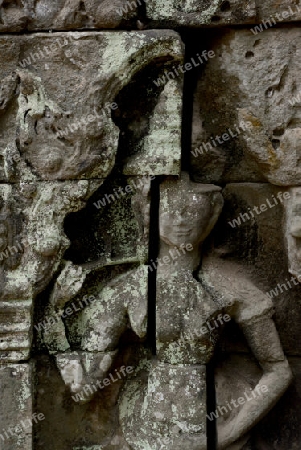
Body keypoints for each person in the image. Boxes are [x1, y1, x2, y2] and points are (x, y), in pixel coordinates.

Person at [119, 172, 292, 450]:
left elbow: (278, 370)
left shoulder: (231, 286)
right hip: (147, 423)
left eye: (193, 209)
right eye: (170, 209)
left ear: (213, 214)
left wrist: (227, 434)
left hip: (214, 418)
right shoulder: (132, 286)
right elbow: (83, 383)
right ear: (149, 214)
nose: (181, 219)